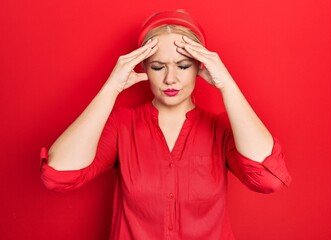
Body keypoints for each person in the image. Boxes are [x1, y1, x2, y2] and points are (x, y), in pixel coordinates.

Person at [40, 10, 291, 240]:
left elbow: (268, 180)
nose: (171, 79)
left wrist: (228, 85)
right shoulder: (122, 125)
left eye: (183, 66)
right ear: (145, 68)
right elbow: (58, 176)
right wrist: (110, 89)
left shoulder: (222, 129)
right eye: (158, 67)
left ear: (199, 67)